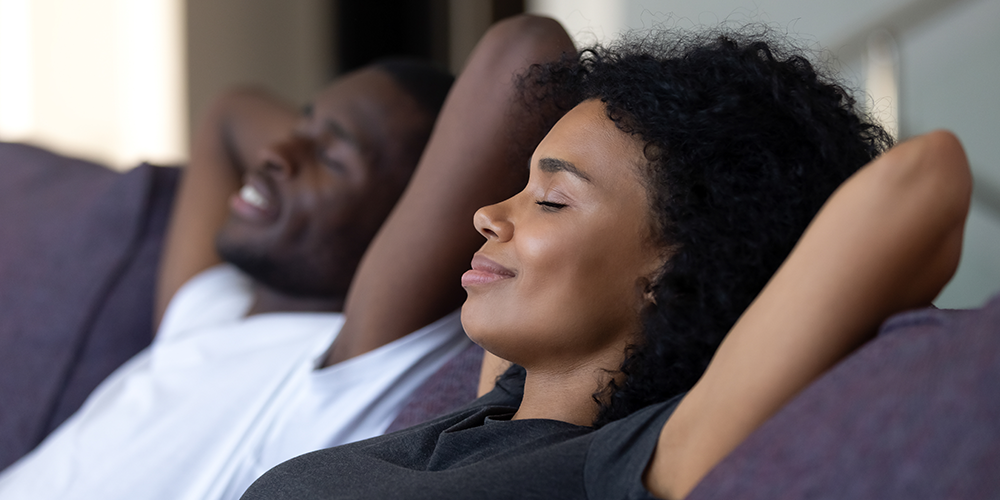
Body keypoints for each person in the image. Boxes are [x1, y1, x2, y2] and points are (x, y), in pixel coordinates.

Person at [236, 15, 972, 500]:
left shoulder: (630, 458)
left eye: (551, 200)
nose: (490, 215)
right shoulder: (494, 403)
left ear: (672, 269)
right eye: (520, 188)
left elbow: (924, 178)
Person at [0, 60, 474, 499]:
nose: (272, 153)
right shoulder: (211, 311)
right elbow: (228, 114)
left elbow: (520, 47)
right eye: (300, 126)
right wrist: (322, 147)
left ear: (409, 223)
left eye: (331, 158)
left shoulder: (339, 367)